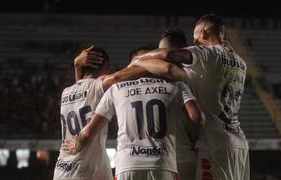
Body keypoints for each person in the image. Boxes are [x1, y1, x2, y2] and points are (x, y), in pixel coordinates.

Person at [130, 14, 249, 180]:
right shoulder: (240, 61)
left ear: (204, 33)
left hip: (213, 143)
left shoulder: (206, 54)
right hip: (239, 143)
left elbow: (167, 55)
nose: (195, 43)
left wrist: (139, 59)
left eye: (195, 38)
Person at [54, 45, 162, 180]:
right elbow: (116, 78)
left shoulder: (66, 92)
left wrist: (77, 65)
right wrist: (153, 65)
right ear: (104, 67)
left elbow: (84, 89)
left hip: (62, 168)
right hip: (86, 169)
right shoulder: (97, 86)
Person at [62, 76, 203, 179]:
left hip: (127, 166)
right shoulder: (175, 85)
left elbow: (90, 129)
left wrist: (80, 140)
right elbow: (197, 118)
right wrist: (193, 136)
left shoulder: (116, 88)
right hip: (163, 164)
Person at [158, 27, 198, 180]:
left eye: (162, 51)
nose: (159, 55)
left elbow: (196, 117)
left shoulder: (180, 80)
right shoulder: (195, 75)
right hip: (184, 156)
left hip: (172, 158)